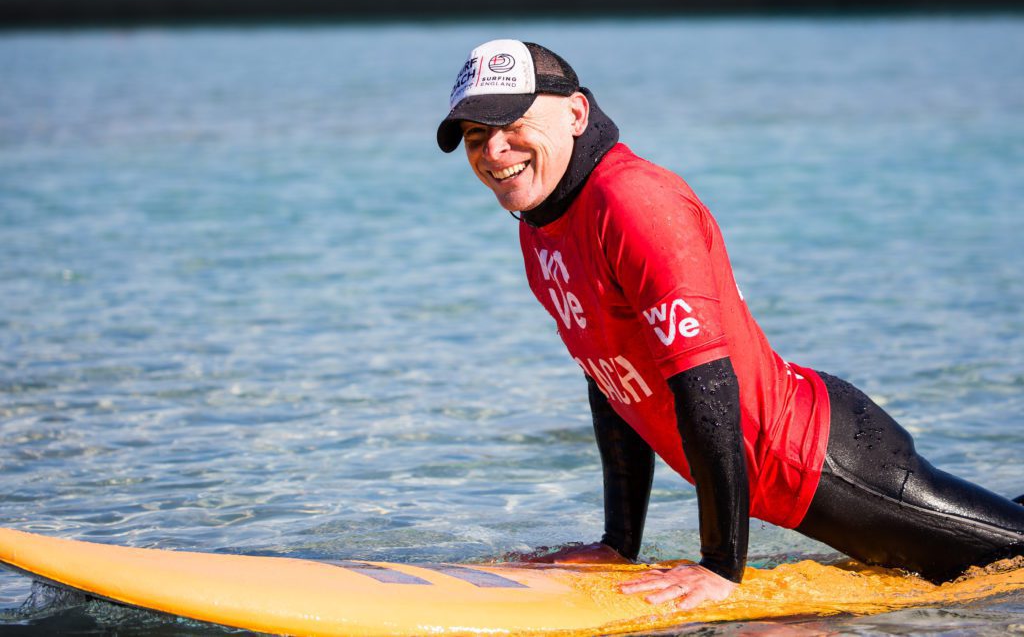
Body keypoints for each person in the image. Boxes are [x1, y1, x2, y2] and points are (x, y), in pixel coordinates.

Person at [435, 39, 1024, 610]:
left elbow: (706, 383)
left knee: (1012, 556)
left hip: (817, 464)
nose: (494, 152)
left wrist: (720, 566)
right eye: (476, 137)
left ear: (576, 113)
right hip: (788, 469)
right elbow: (609, 378)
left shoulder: (633, 202)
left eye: (513, 125)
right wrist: (618, 546)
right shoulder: (542, 221)